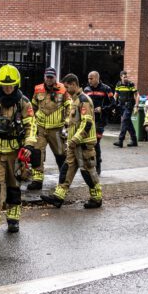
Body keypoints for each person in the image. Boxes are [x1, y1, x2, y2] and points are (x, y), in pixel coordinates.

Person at [0, 64, 39, 237]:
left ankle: (13, 220)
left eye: (10, 85)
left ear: (16, 85)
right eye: (4, 85)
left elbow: (31, 126)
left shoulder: (23, 103)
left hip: (15, 153)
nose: (8, 88)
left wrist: (28, 145)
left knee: (13, 187)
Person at [41, 73, 103, 209]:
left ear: (74, 84)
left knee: (87, 171)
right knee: (66, 169)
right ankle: (58, 197)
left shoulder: (83, 99)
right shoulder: (75, 100)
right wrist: (67, 125)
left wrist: (75, 139)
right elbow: (76, 121)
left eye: (68, 87)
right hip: (74, 144)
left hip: (83, 144)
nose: (66, 90)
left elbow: (87, 122)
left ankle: (97, 198)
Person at [29, 67, 70, 190]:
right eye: (47, 77)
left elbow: (69, 107)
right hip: (40, 127)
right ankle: (37, 180)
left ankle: (63, 179)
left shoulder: (63, 90)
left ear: (55, 78)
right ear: (44, 77)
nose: (49, 79)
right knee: (37, 153)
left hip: (56, 129)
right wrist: (31, 121)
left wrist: (67, 122)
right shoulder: (38, 89)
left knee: (61, 154)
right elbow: (33, 106)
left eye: (51, 77)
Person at [83, 71, 114, 176]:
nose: (89, 80)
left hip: (100, 120)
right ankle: (89, 164)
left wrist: (102, 109)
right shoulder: (86, 90)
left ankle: (98, 166)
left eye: (91, 78)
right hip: (88, 120)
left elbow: (113, 104)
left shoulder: (106, 89)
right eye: (88, 78)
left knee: (95, 141)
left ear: (97, 78)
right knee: (88, 143)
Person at [113, 70, 139, 147]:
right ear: (121, 77)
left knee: (124, 121)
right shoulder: (118, 84)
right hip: (121, 106)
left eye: (127, 77)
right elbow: (115, 95)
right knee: (128, 123)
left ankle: (120, 140)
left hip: (129, 106)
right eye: (124, 77)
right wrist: (113, 106)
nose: (126, 78)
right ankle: (134, 141)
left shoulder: (130, 84)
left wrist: (136, 106)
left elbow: (137, 95)